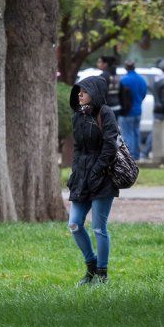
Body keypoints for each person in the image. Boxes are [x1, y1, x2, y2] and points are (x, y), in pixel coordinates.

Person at [67, 76, 119, 286]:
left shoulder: (105, 113)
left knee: (99, 228)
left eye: (85, 91)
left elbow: (110, 146)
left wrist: (97, 170)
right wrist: (76, 173)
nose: (80, 94)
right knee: (74, 224)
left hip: (103, 178)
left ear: (95, 93)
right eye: (79, 91)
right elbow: (78, 148)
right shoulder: (78, 115)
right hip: (82, 177)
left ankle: (102, 273)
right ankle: (91, 266)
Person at [118, 60, 147, 159]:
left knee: (127, 134)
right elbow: (143, 94)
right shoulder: (142, 79)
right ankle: (137, 155)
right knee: (136, 133)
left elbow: (120, 96)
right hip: (138, 110)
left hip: (127, 112)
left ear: (126, 68)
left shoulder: (123, 80)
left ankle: (130, 156)